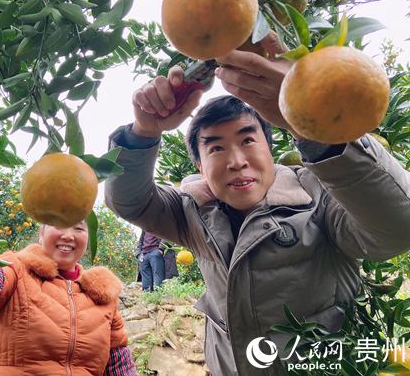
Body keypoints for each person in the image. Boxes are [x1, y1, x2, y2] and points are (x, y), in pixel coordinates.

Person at [104, 32, 410, 376]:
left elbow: (398, 228)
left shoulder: (317, 193)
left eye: (248, 140)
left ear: (271, 146)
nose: (236, 160)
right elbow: (129, 202)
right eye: (216, 148)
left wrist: (314, 120)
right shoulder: (192, 213)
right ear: (200, 167)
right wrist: (143, 132)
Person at [0, 221, 139, 375]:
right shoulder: (15, 270)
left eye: (79, 228)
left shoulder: (103, 296)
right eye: (59, 225)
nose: (69, 235)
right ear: (41, 234)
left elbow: (121, 367)